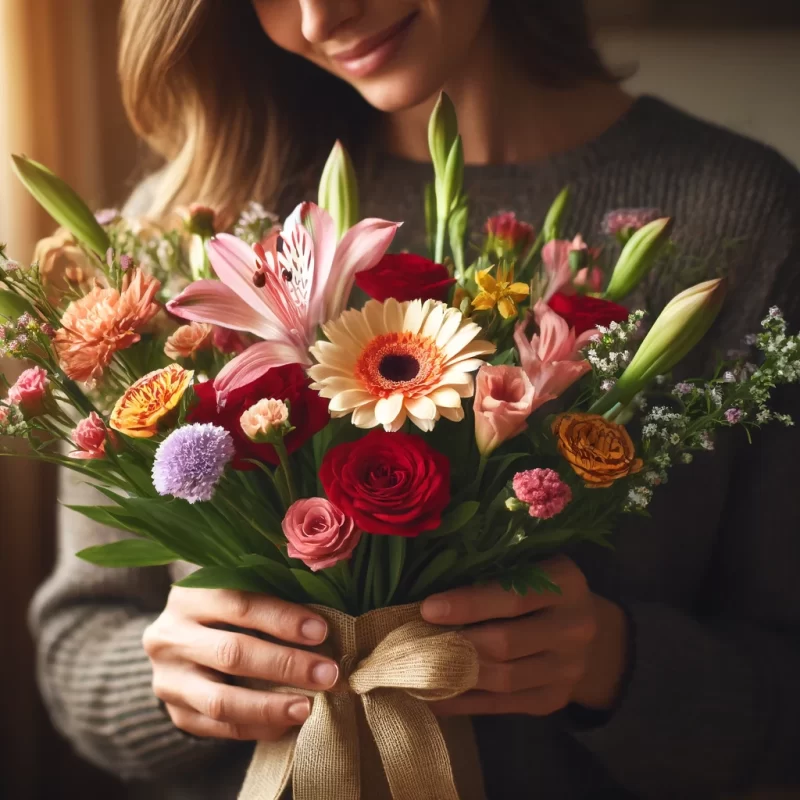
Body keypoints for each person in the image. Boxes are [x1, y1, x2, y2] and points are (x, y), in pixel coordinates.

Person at [29, 1, 800, 798]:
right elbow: (77, 643)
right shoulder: (190, 223)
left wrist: (615, 664)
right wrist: (174, 684)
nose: (321, 17)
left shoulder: (742, 218)